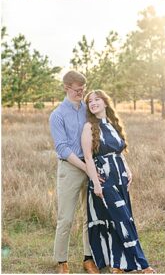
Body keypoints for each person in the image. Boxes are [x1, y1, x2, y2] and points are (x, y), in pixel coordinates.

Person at [81, 90, 154, 273]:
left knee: (120, 219)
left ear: (105, 103)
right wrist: (96, 183)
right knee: (121, 219)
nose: (93, 103)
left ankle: (117, 264)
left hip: (119, 176)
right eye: (90, 101)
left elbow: (119, 152)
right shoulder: (89, 127)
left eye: (97, 100)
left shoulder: (113, 124)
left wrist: (128, 170)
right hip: (103, 178)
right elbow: (88, 158)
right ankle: (143, 265)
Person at [48, 71, 99, 274]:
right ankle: (62, 262)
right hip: (70, 169)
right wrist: (85, 167)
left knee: (91, 217)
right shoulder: (57, 115)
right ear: (66, 87)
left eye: (83, 89)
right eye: (77, 89)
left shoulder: (88, 110)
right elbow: (62, 147)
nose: (81, 92)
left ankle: (89, 259)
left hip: (90, 167)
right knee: (66, 218)